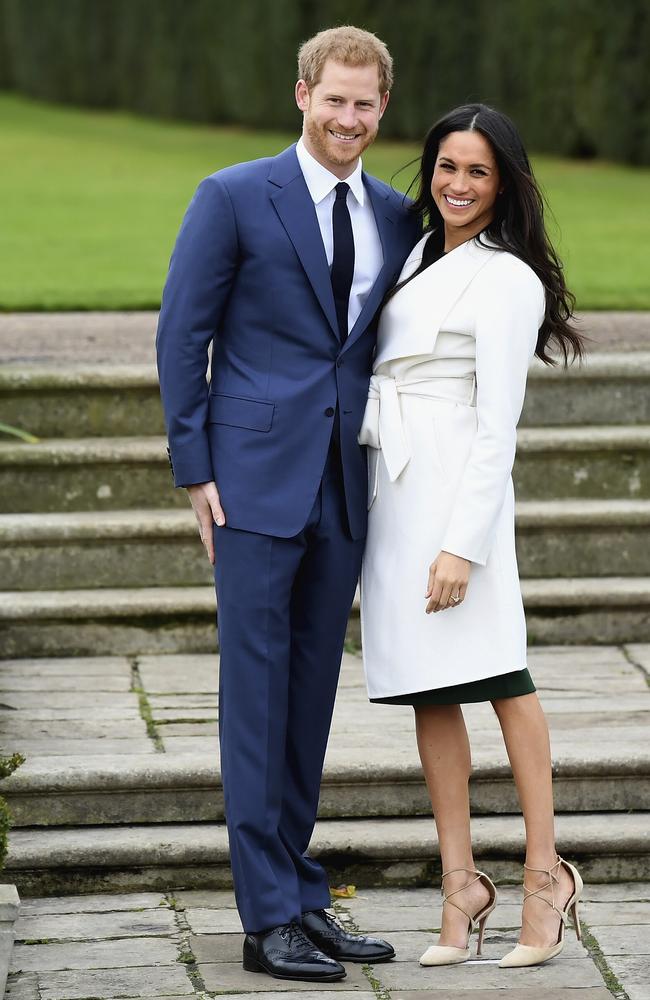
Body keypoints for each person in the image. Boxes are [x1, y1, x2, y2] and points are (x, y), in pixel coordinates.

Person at [156, 25, 421, 983]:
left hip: (344, 487)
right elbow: (182, 334)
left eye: (365, 105)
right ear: (301, 94)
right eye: (334, 99)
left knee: (309, 700)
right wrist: (196, 469)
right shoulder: (232, 196)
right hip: (252, 485)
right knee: (255, 700)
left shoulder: (396, 212)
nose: (348, 118)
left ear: (381, 109)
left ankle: (302, 897)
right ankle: (265, 915)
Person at [359, 103, 586, 969]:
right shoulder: (417, 252)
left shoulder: (506, 279)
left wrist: (465, 545)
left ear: (506, 185)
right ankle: (460, 890)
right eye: (447, 167)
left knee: (503, 679)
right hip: (397, 491)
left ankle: (542, 876)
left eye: (478, 172)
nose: (458, 185)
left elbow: (499, 428)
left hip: (459, 492)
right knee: (429, 689)